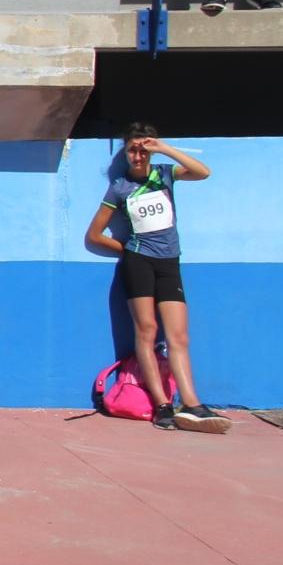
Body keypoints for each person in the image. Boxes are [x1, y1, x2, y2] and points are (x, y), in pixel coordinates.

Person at [83, 126, 231, 433]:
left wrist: (163, 148)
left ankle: (191, 404)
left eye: (143, 150)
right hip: (137, 263)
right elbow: (94, 235)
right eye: (132, 150)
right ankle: (162, 405)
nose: (137, 156)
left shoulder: (164, 174)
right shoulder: (119, 188)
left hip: (169, 264)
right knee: (147, 331)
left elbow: (203, 172)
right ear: (125, 153)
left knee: (178, 337)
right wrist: (128, 249)